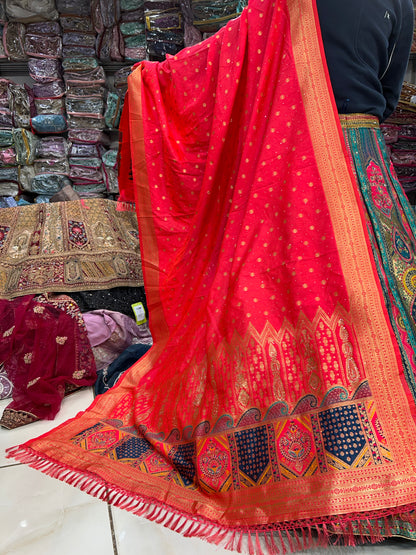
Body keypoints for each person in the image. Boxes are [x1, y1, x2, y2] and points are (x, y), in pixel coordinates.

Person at [9, 0, 416, 553]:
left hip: (301, 164)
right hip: (366, 165)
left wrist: (150, 80)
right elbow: (389, 96)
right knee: (385, 301)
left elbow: (214, 70)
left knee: (294, 301)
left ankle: (327, 464)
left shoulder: (284, 4)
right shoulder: (399, 3)